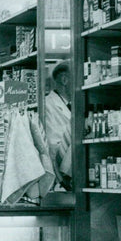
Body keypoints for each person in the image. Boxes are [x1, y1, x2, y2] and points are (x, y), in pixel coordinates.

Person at [45, 60, 73, 191]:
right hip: (58, 167)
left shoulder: (75, 103)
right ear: (64, 80)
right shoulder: (47, 104)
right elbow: (51, 143)